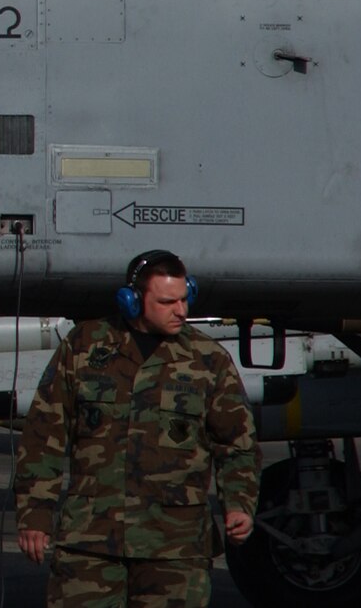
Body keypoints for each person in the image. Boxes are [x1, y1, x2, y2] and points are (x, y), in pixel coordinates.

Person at [14, 250, 259, 607]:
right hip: (91, 542)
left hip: (175, 547)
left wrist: (238, 505)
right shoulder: (85, 348)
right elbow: (43, 436)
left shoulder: (208, 359)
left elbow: (236, 444)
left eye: (184, 299)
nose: (181, 311)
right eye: (166, 302)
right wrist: (35, 514)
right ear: (132, 301)